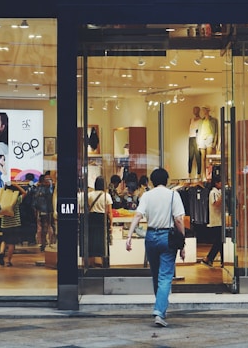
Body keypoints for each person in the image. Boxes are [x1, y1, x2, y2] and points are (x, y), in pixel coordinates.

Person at [126, 168, 186, 328]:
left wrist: (129, 235)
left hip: (151, 236)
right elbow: (179, 220)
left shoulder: (147, 195)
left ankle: (160, 306)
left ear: (151, 181)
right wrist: (183, 243)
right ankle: (159, 311)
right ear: (166, 180)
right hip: (168, 237)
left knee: (156, 274)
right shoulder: (174, 195)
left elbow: (138, 215)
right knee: (165, 276)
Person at [87, 176, 113, 267]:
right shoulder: (107, 195)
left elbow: (86, 207)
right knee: (103, 242)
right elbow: (109, 212)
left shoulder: (90, 195)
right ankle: (105, 263)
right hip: (102, 219)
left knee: (92, 241)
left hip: (92, 218)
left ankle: (90, 264)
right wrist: (111, 225)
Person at [0, 183, 26, 266]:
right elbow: (25, 193)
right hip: (14, 224)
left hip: (4, 224)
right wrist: (16, 185)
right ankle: (8, 261)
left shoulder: (2, 199)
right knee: (11, 243)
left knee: (4, 240)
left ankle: (1, 252)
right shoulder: (16, 198)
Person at [201, 176, 223, 267]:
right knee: (219, 241)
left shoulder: (218, 192)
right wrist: (222, 197)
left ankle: (218, 260)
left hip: (220, 220)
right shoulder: (213, 193)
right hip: (215, 220)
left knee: (221, 241)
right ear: (216, 183)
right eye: (221, 182)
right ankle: (209, 258)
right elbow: (216, 204)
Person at [33, 173, 54, 251]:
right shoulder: (44, 188)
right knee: (45, 226)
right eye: (47, 179)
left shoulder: (40, 188)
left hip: (45, 209)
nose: (49, 181)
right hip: (44, 210)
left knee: (46, 226)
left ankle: (45, 243)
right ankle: (44, 243)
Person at [197, 106, 219, 180]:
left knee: (208, 158)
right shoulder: (201, 121)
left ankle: (209, 174)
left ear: (207, 111)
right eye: (202, 111)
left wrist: (215, 142)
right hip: (202, 138)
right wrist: (198, 142)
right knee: (202, 158)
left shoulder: (213, 120)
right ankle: (204, 175)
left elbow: (216, 132)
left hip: (209, 137)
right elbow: (199, 132)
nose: (203, 112)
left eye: (204, 110)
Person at [188, 106, 202, 178]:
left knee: (198, 156)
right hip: (190, 138)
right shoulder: (191, 120)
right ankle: (189, 173)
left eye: (196, 110)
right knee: (190, 156)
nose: (194, 112)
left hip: (197, 138)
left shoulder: (201, 120)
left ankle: (199, 173)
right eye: (194, 110)